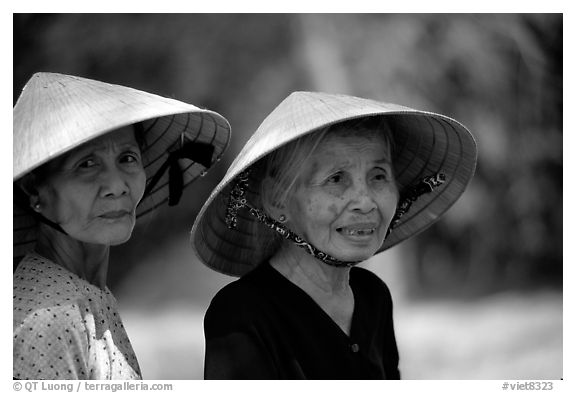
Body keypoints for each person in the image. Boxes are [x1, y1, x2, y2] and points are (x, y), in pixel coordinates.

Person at [191, 91, 477, 379]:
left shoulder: (373, 296)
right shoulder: (241, 316)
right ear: (278, 200)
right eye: (336, 179)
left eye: (378, 176)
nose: (365, 202)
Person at [13, 72, 231, 380]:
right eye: (86, 164)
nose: (117, 185)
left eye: (127, 158)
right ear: (35, 192)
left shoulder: (86, 296)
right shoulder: (47, 318)